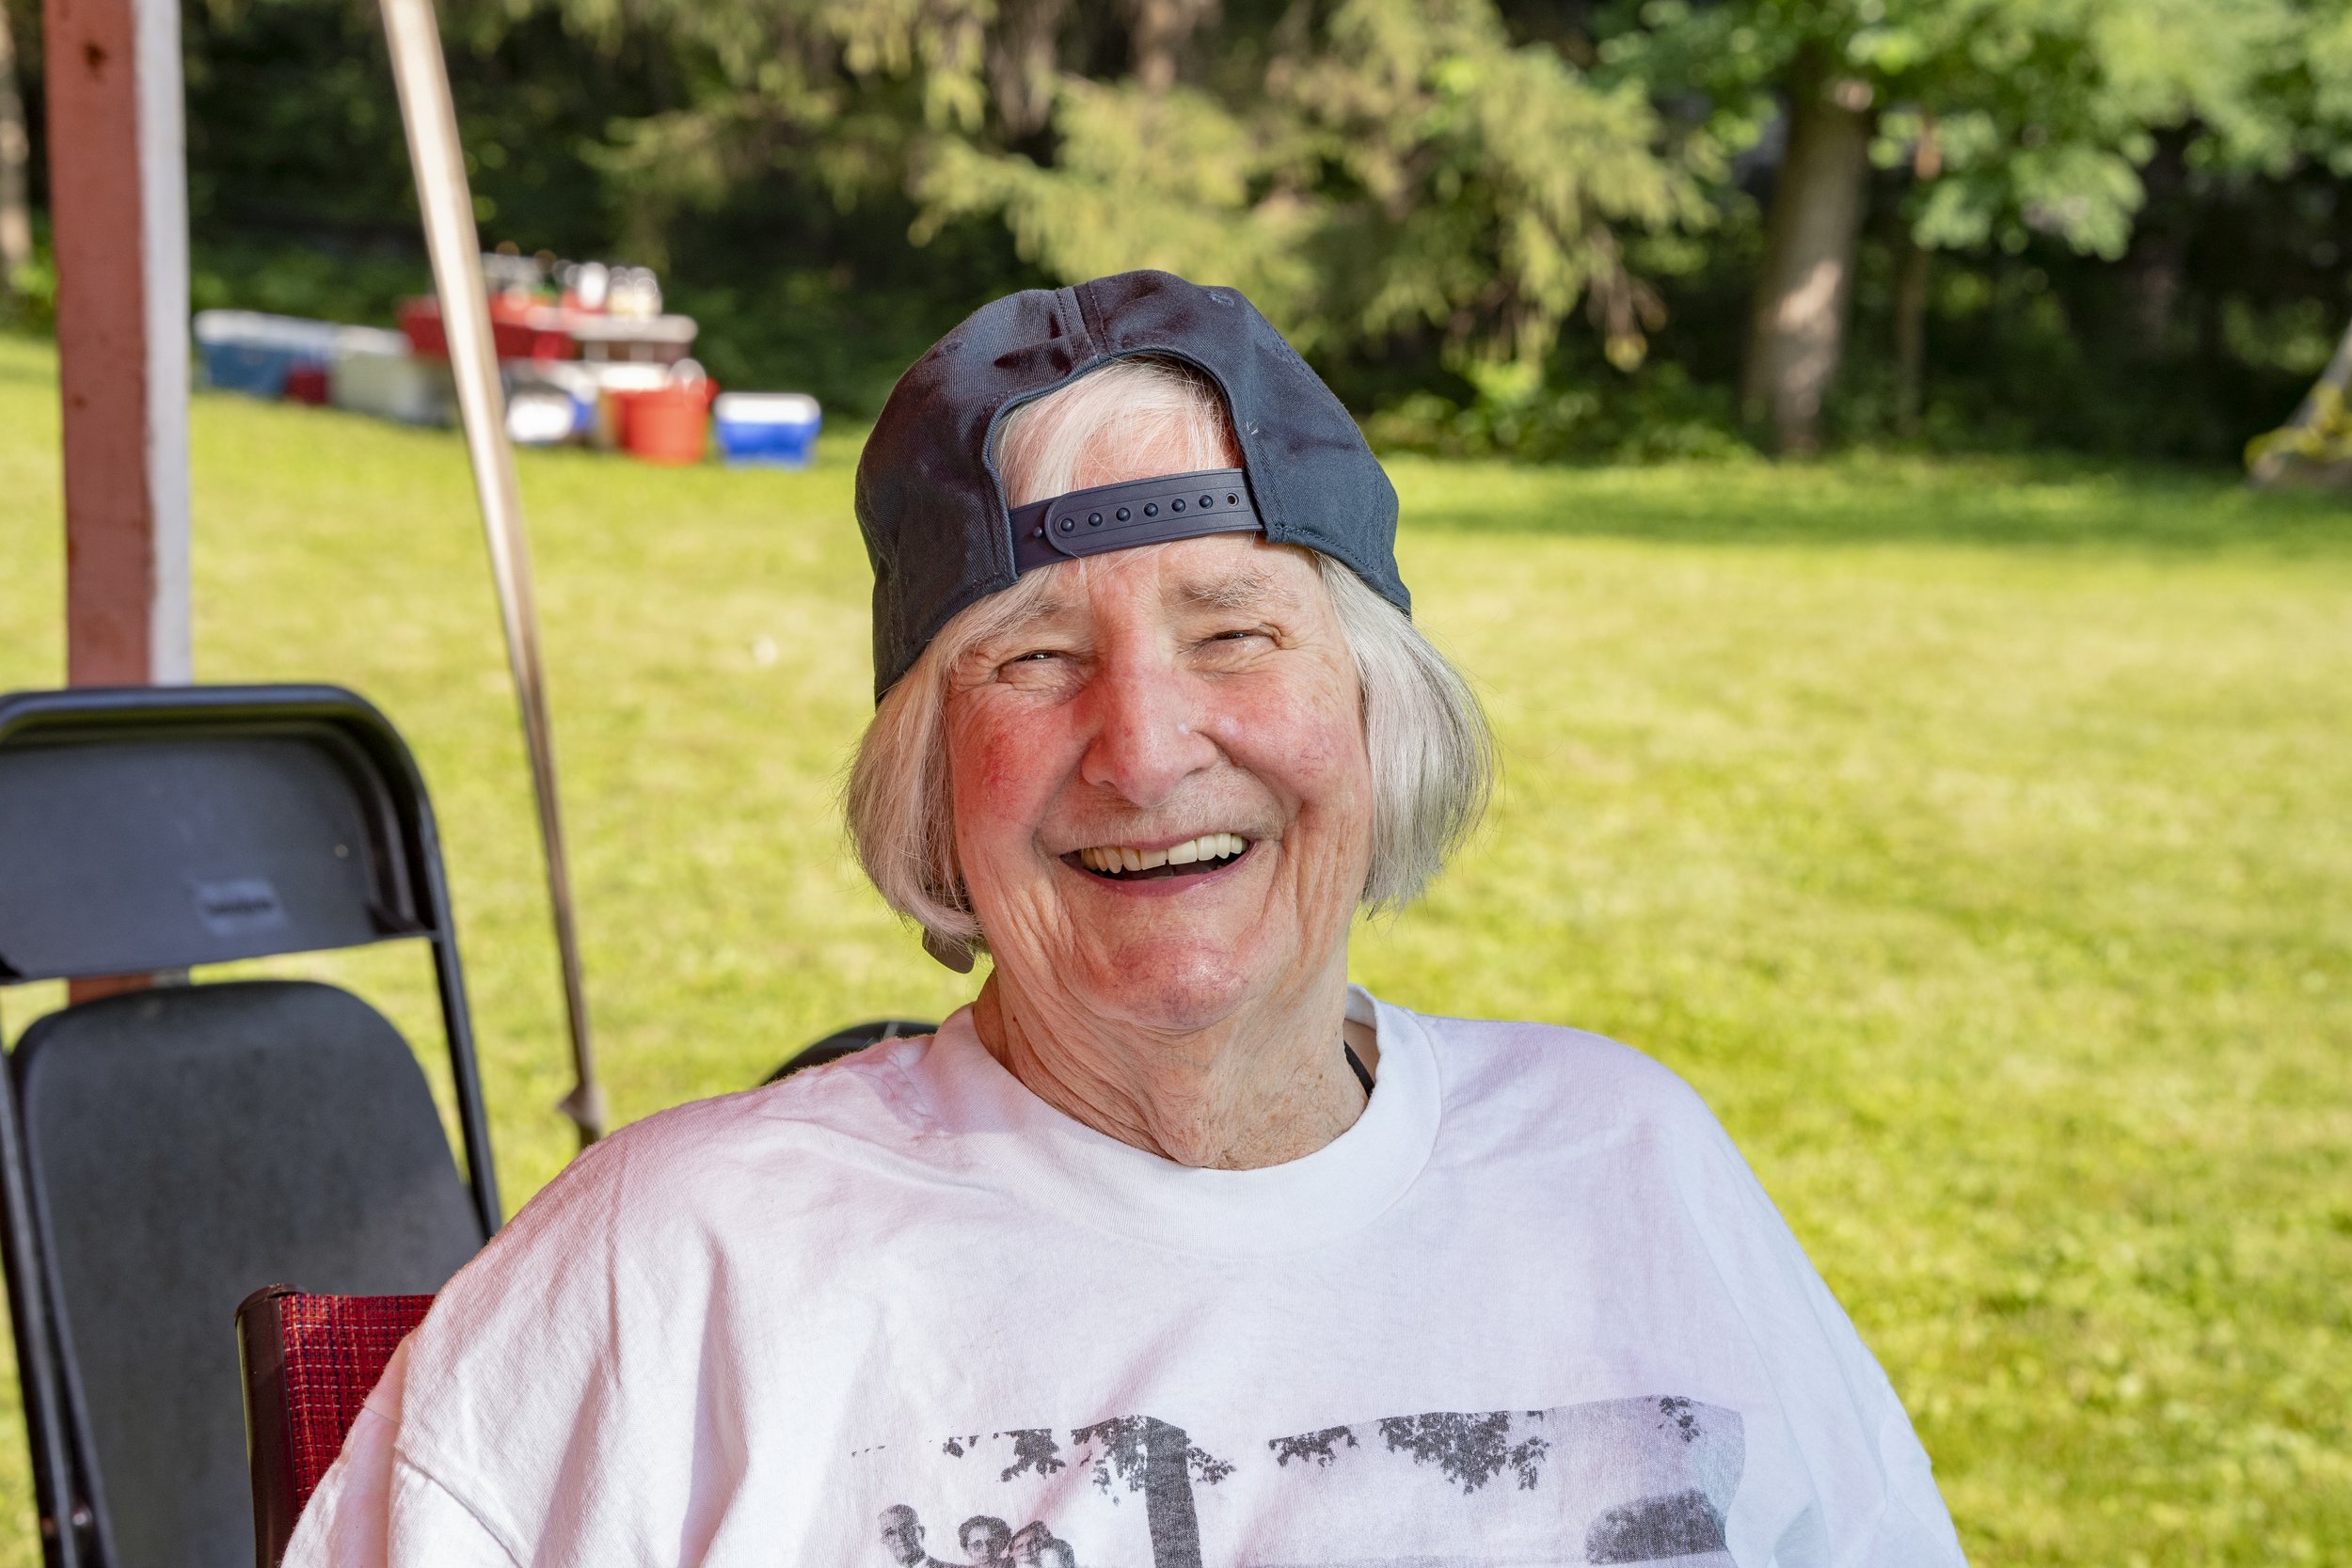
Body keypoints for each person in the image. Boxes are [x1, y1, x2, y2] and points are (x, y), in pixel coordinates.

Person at [284, 270, 1969, 1566]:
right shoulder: (685, 1267)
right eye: (1033, 658)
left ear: (1380, 724)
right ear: (932, 781)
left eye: (1237, 631)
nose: (1149, 746)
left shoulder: (1628, 1164)